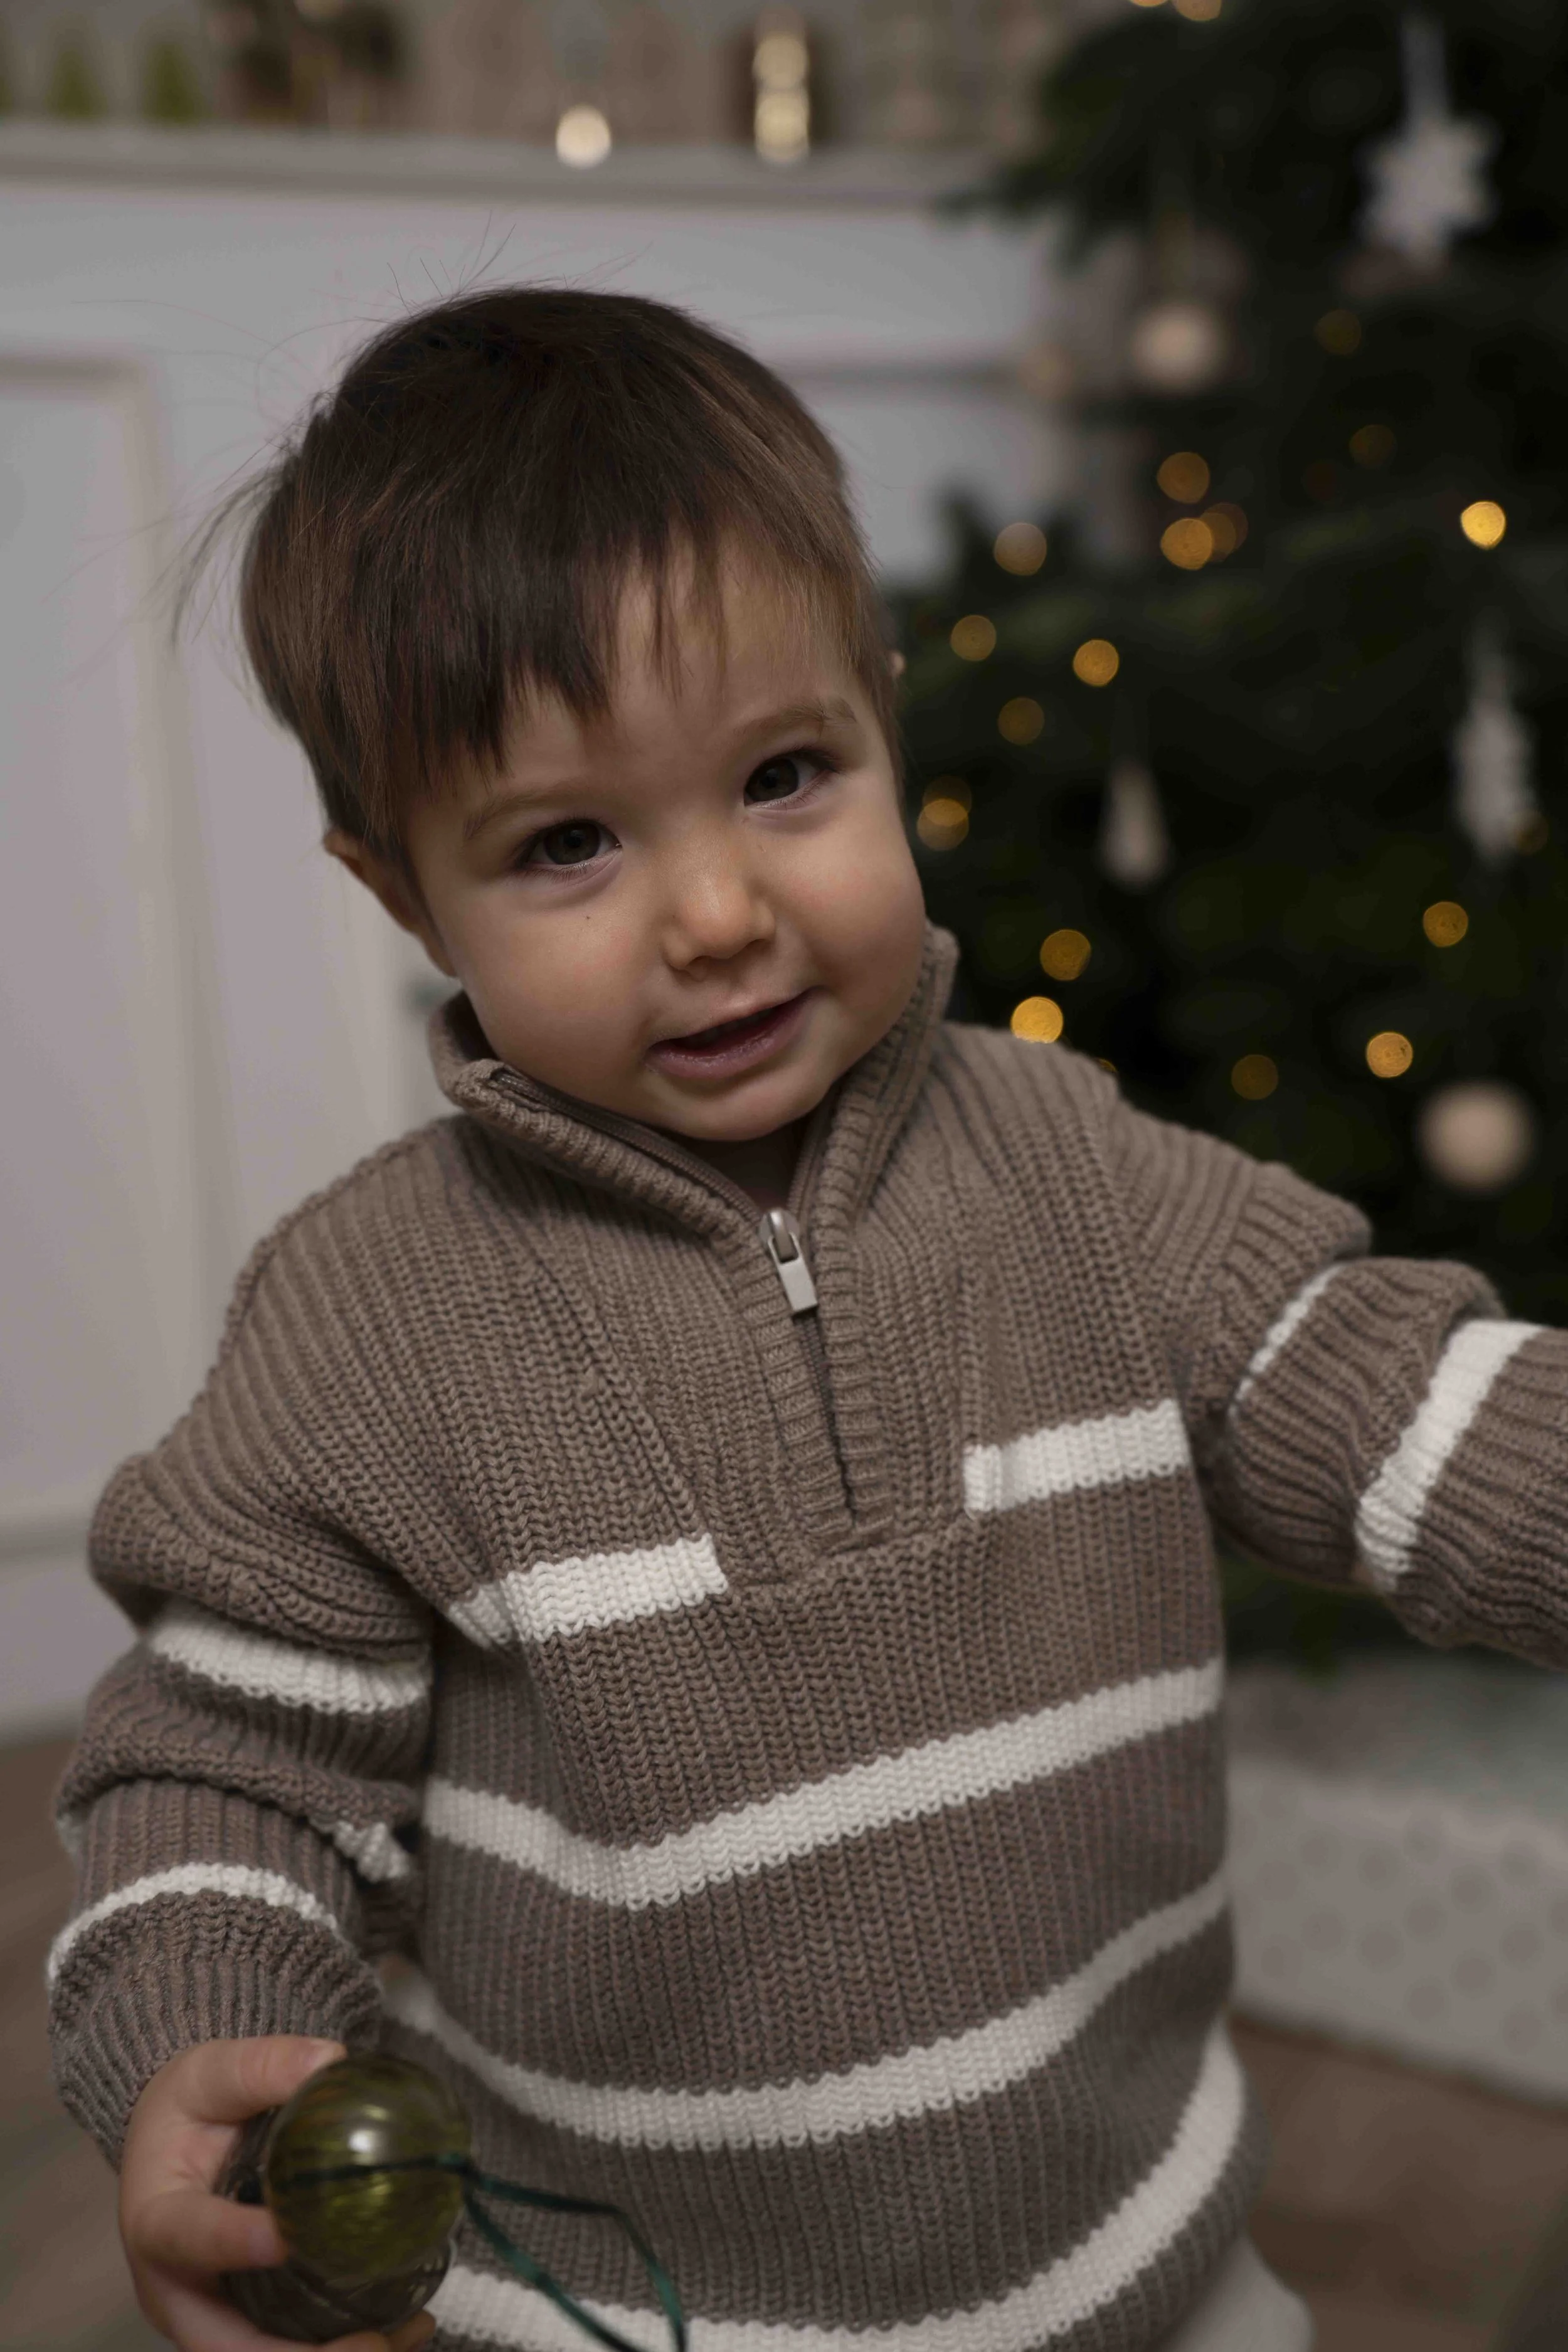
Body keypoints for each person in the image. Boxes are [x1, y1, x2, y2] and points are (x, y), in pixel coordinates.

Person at [48, 287, 1562, 2352]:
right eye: (567, 842)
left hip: (1153, 2277)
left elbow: (1384, 1394)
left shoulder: (1072, 1165)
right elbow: (222, 1777)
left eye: (781, 775)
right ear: (400, 887)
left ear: (879, 719)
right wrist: (206, 2036)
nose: (716, 914)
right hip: (627, 2319)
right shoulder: (363, 1330)